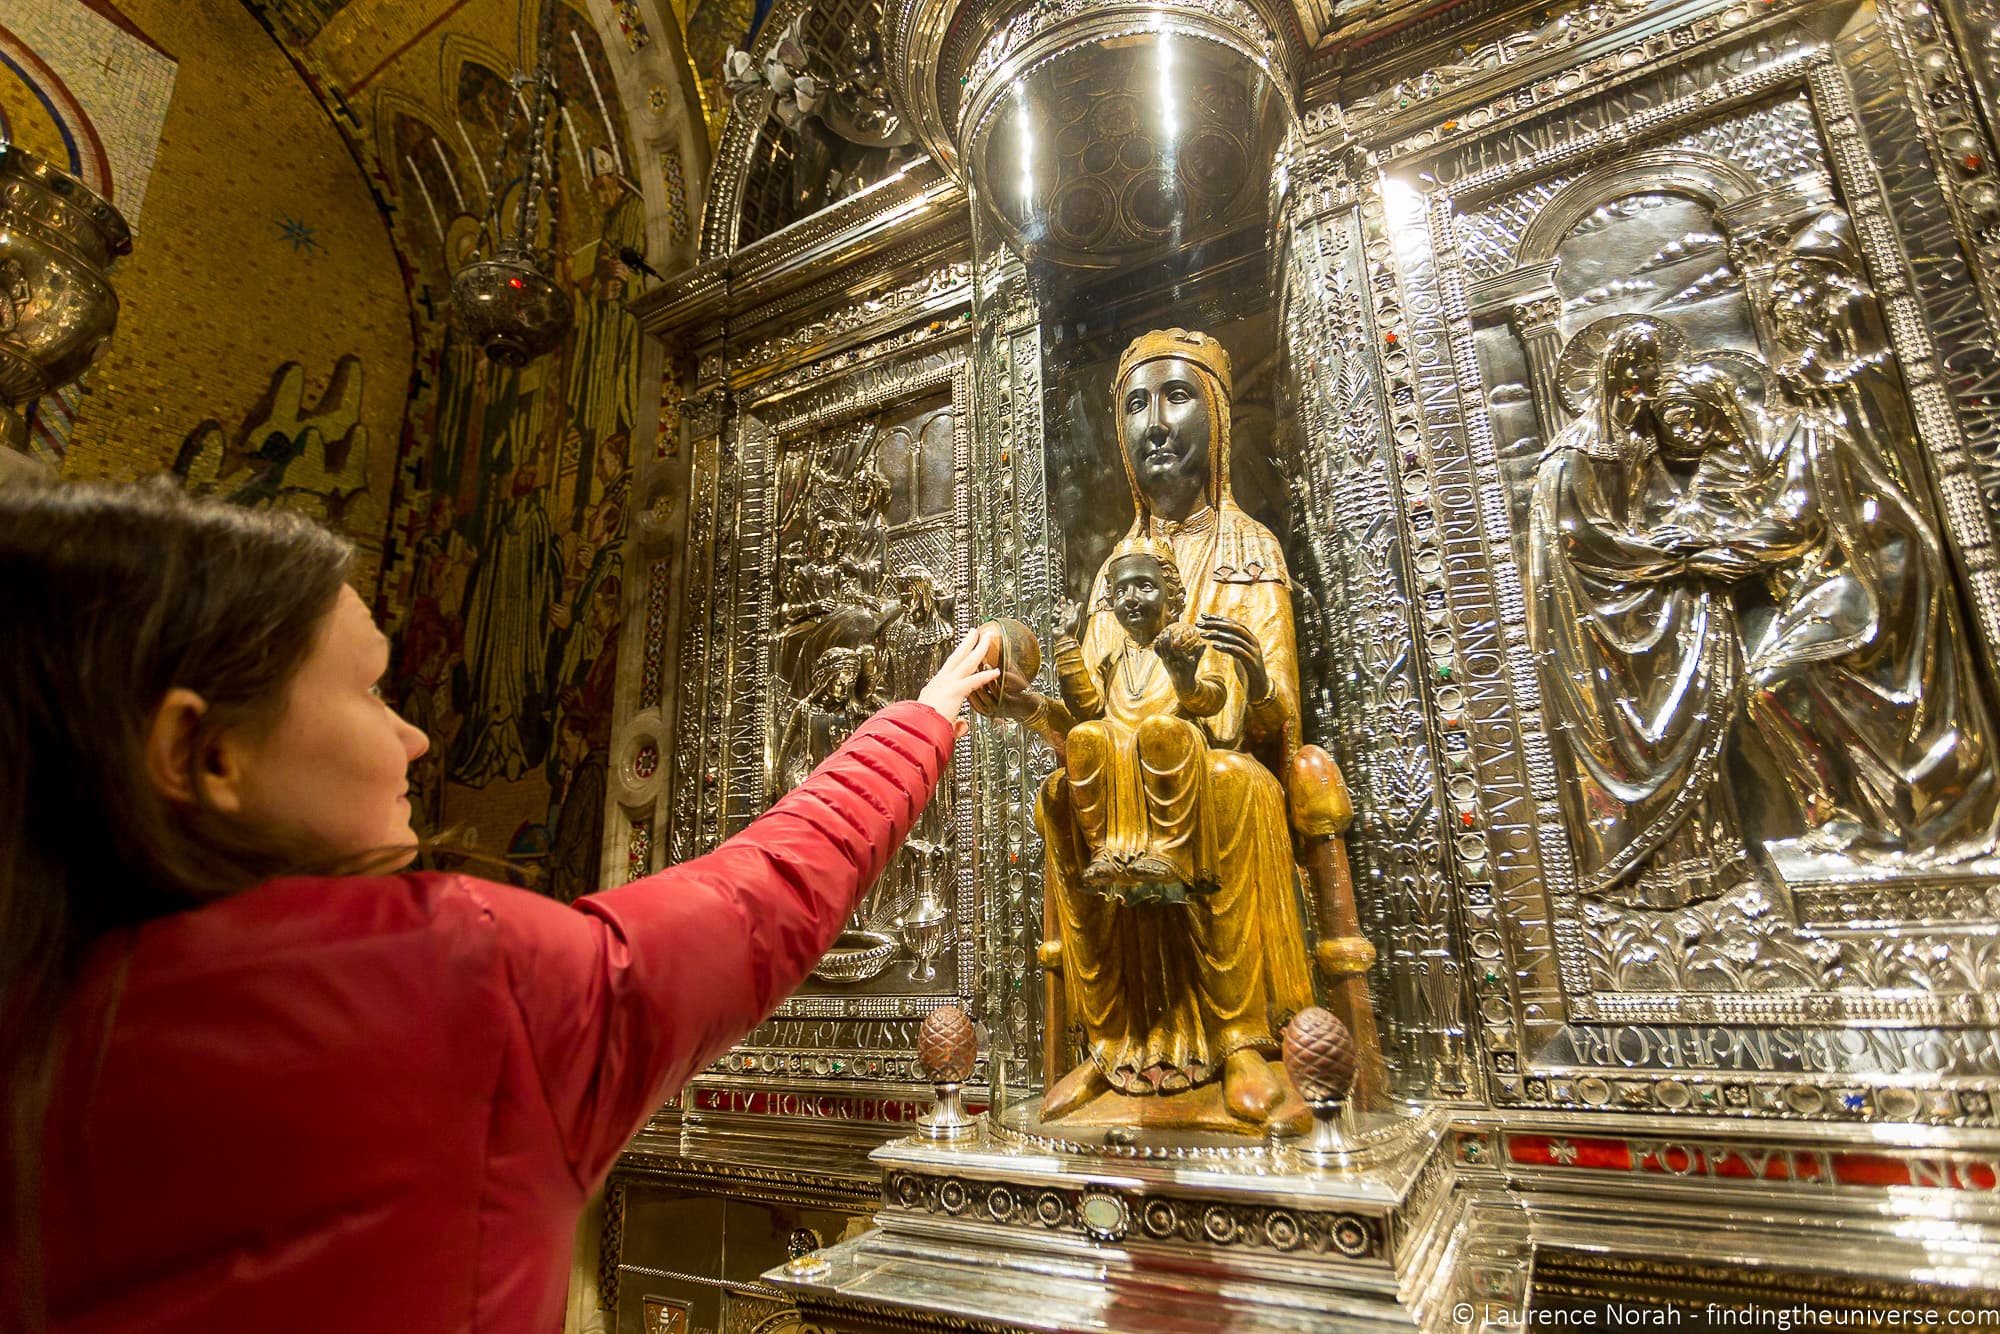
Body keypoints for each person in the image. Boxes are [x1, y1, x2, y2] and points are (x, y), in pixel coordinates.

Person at [0, 479, 996, 1332]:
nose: (417, 737)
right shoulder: (451, 985)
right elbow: (755, 896)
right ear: (202, 753)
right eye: (373, 691)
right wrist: (924, 714)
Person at [978, 328, 1312, 1133]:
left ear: (1219, 420)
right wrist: (1030, 708)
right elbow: (1087, 722)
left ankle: (1240, 1039)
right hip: (1128, 777)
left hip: (1221, 776)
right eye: (1134, 405)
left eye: (1176, 396)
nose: (1155, 423)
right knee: (1062, 794)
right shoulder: (1113, 573)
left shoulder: (1251, 552)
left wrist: (1255, 686)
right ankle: (1115, 1035)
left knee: (1226, 782)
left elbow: (1276, 728)